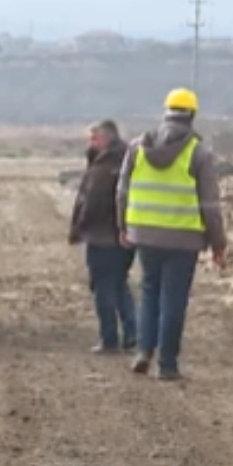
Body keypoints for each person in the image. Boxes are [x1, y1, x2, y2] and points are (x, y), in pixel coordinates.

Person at [116, 87, 228, 380]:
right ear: (192, 115)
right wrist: (218, 244)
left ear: (166, 112)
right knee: (174, 299)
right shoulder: (198, 153)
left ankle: (143, 351)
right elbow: (210, 205)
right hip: (184, 238)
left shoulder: (138, 147)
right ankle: (167, 365)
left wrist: (123, 227)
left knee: (149, 292)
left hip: (145, 236)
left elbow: (122, 192)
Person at [69, 119, 137, 353]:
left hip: (103, 237)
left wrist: (79, 228)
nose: (90, 143)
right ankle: (132, 333)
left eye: (94, 138)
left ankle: (109, 339)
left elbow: (91, 203)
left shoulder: (105, 167)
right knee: (119, 284)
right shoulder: (127, 161)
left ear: (107, 139)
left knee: (103, 288)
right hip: (124, 237)